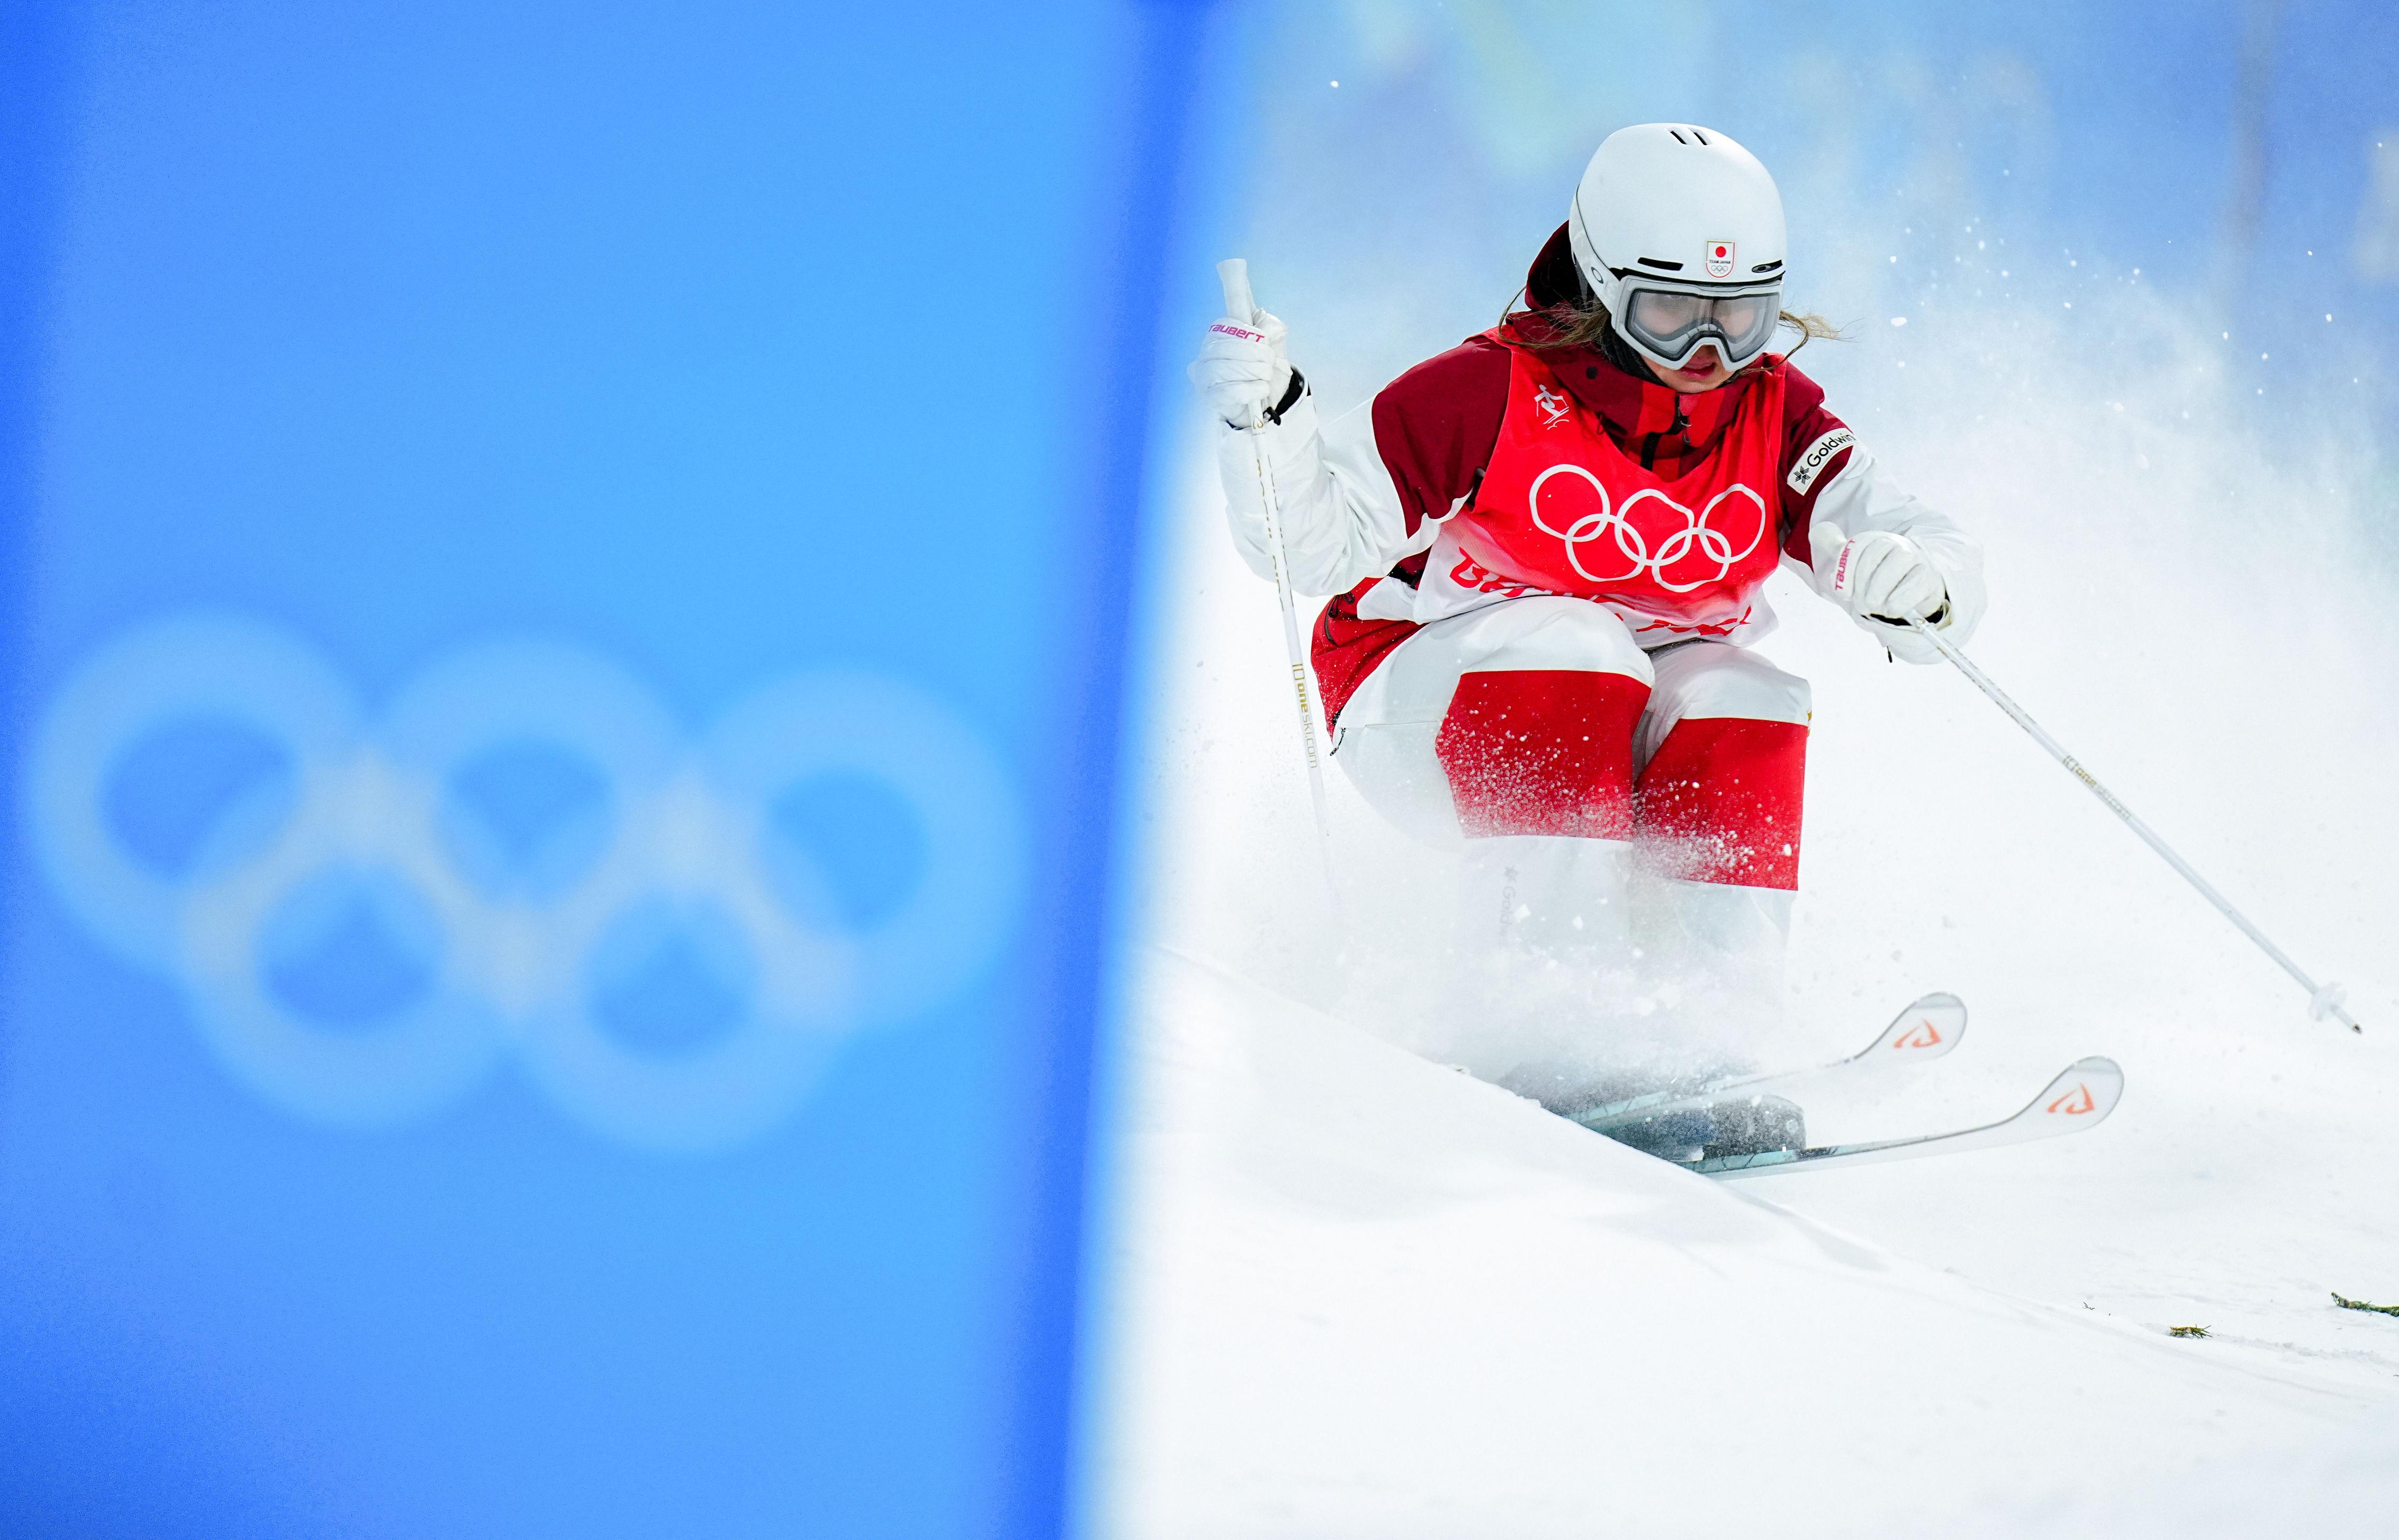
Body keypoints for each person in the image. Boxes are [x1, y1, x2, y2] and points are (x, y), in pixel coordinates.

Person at [1189, 122, 1984, 1049]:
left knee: (1747, 695)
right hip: (1423, 704)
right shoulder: (1489, 388)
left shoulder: (1774, 415)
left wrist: (1924, 588)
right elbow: (1315, 548)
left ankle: (1712, 1028)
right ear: (1605, 286)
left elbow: (1924, 553)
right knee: (1577, 644)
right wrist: (1271, 423)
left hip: (1618, 719)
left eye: (1740, 318)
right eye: (1671, 315)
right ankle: (1533, 1008)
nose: (1707, 355)